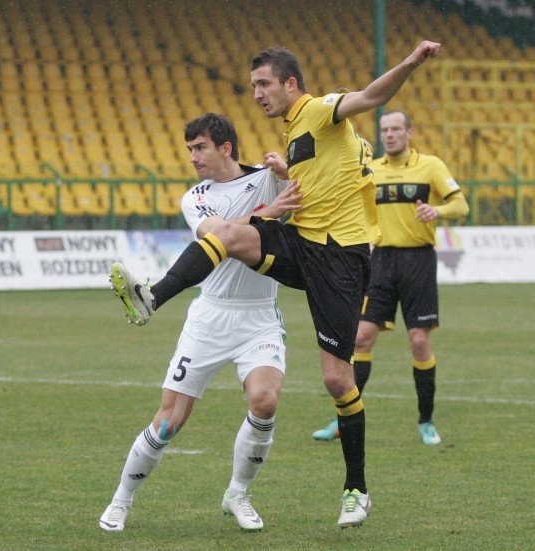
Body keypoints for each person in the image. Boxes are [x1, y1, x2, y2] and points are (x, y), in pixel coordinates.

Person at [109, 41, 442, 528]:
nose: (258, 94)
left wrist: (411, 62)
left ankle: (356, 489)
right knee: (228, 234)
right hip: (300, 245)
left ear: (291, 83)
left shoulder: (321, 110)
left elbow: (370, 97)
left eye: (264, 84)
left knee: (336, 379)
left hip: (341, 259)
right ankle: (153, 296)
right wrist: (286, 172)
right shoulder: (290, 135)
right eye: (253, 87)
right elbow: (317, 182)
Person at [100, 113, 300, 533]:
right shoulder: (196, 197)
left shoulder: (266, 179)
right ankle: (122, 500)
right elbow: (220, 233)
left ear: (225, 147)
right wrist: (268, 213)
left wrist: (285, 172)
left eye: (200, 147)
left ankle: (238, 494)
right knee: (169, 420)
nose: (193, 157)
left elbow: (304, 196)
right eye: (190, 148)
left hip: (260, 314)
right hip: (210, 316)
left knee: (265, 402)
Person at [311, 110, 469, 445]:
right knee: (361, 339)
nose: (390, 135)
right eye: (385, 130)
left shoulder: (431, 166)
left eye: (396, 129)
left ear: (409, 132)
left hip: (418, 260)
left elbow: (461, 205)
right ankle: (343, 419)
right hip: (379, 261)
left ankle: (426, 421)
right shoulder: (372, 170)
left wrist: (436, 211)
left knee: (419, 341)